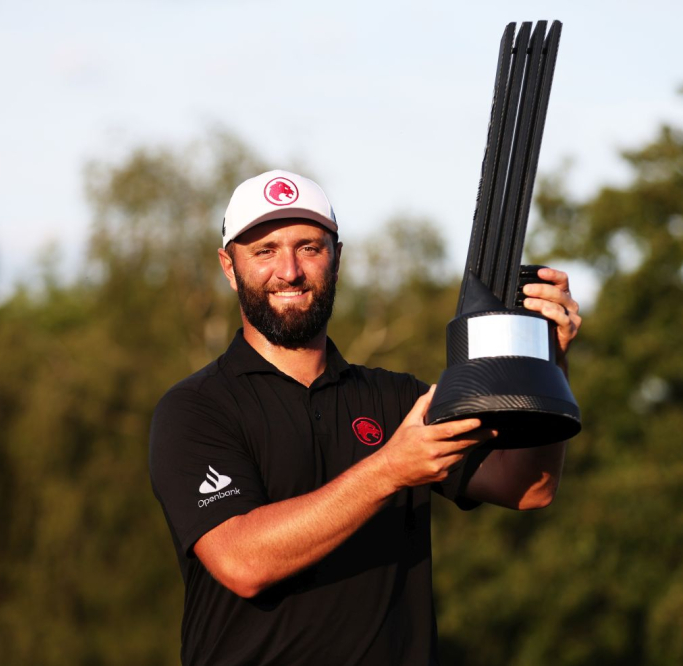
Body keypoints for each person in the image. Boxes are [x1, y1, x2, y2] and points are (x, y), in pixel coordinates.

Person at [149, 170, 581, 666]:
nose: (289, 271)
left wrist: (547, 362)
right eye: (265, 251)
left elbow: (527, 487)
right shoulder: (196, 408)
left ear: (336, 258)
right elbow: (243, 561)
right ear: (229, 266)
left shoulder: (396, 398)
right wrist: (391, 469)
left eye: (309, 248)